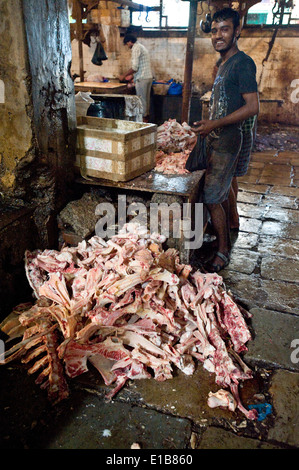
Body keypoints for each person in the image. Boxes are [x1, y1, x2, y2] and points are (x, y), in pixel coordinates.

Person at [192, 7, 259, 272]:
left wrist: (215, 124)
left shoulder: (243, 62)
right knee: (214, 192)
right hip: (217, 139)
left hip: (229, 142)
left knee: (212, 197)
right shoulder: (224, 63)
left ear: (237, 31)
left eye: (226, 29)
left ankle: (223, 250)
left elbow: (252, 106)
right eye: (215, 30)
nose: (218, 35)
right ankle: (217, 231)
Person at [119, 34, 153, 122]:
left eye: (127, 44)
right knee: (146, 101)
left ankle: (143, 122)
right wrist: (132, 76)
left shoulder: (136, 48)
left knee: (141, 101)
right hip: (148, 77)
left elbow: (135, 67)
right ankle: (146, 120)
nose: (128, 46)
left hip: (142, 78)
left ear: (130, 42)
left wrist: (124, 75)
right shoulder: (141, 46)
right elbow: (140, 66)